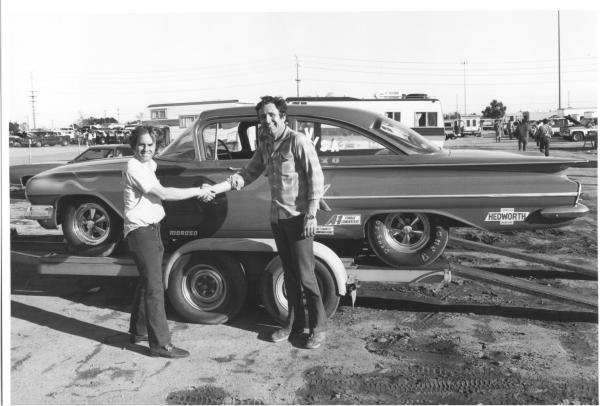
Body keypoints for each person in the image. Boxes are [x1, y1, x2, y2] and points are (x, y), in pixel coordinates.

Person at [208, 96, 328, 350]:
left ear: (283, 116)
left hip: (299, 220)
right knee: (291, 276)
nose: (267, 120)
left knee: (306, 276)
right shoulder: (265, 143)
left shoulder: (297, 141)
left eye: (272, 115)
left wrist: (311, 214)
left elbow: (315, 177)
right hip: (278, 219)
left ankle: (318, 329)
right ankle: (293, 325)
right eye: (263, 117)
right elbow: (248, 172)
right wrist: (218, 188)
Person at [123, 126, 215, 358]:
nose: (146, 149)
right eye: (141, 144)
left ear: (156, 147)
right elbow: (163, 194)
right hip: (141, 232)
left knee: (147, 283)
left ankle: (139, 331)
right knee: (155, 288)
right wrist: (197, 190)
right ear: (133, 146)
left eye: (150, 145)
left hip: (152, 230)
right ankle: (160, 345)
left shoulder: (148, 165)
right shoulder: (134, 167)